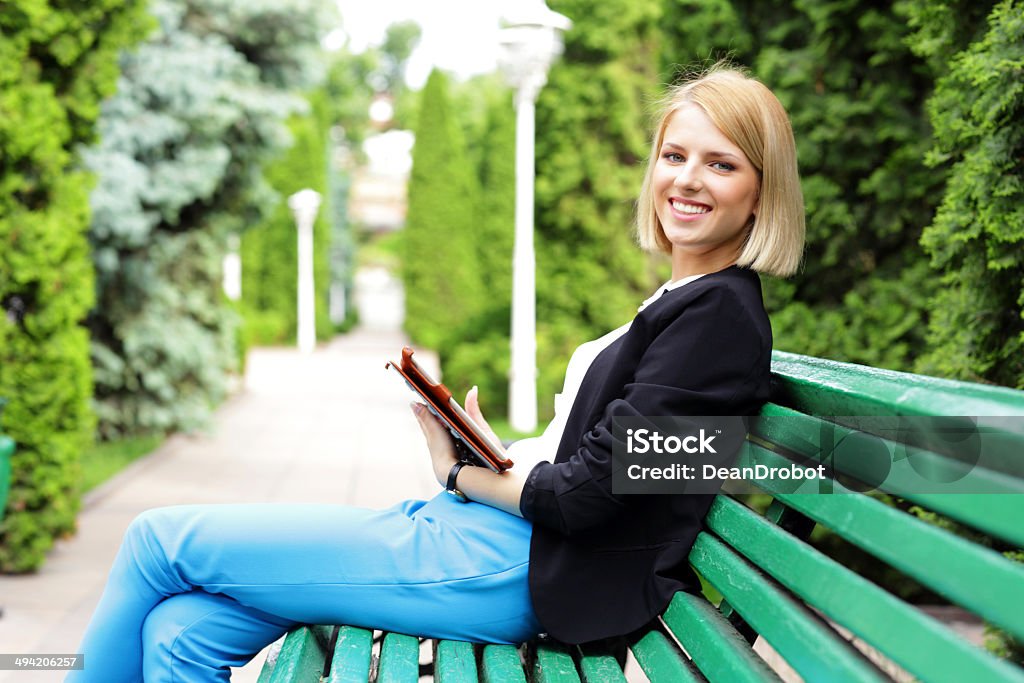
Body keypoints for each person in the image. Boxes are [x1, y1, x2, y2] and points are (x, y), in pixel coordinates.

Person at [68, 64, 804, 682]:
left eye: (721, 163)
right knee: (181, 628)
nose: (688, 180)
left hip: (517, 566)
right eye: (674, 155)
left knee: (156, 540)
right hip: (487, 541)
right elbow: (615, 464)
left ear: (760, 190)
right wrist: (494, 450)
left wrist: (460, 473)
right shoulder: (690, 302)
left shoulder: (718, 318)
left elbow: (587, 499)